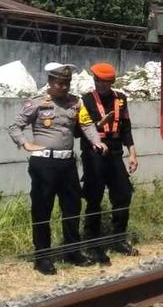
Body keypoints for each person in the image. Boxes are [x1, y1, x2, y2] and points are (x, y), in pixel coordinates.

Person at [8, 62, 107, 274]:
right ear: (50, 82)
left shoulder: (76, 103)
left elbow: (87, 125)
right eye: (59, 83)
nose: (63, 87)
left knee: (72, 209)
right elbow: (15, 126)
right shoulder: (37, 102)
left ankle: (72, 251)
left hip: (67, 163)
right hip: (44, 163)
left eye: (66, 83)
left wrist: (96, 141)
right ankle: (42, 257)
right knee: (42, 209)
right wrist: (25, 143)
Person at [78, 62, 138, 262]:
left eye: (104, 82)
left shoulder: (121, 99)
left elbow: (126, 128)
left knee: (123, 194)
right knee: (93, 197)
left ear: (111, 82)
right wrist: (98, 125)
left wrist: (132, 153)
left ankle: (118, 238)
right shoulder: (86, 100)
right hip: (93, 155)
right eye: (97, 81)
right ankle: (93, 242)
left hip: (115, 154)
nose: (100, 85)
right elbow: (78, 132)